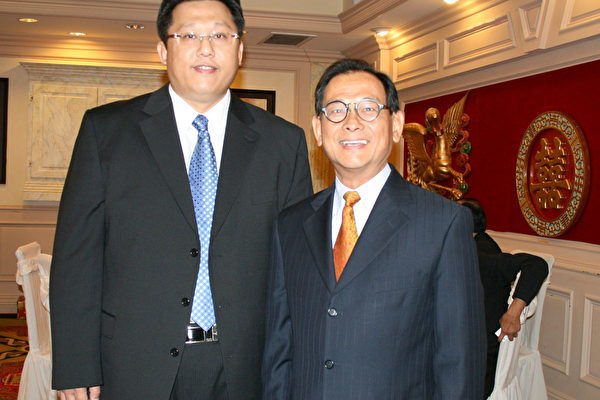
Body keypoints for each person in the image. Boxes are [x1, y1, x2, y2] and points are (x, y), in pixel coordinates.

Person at [49, 1, 312, 399]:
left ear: (240, 50)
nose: (206, 48)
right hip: (134, 363)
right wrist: (75, 365)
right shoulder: (106, 132)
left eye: (220, 34)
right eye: (189, 34)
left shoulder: (283, 142)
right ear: (163, 49)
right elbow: (76, 260)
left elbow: (296, 270)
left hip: (247, 366)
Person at [261, 58, 486, 400]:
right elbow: (279, 350)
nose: (351, 123)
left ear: (396, 125)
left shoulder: (442, 223)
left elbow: (459, 363)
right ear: (318, 129)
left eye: (368, 108)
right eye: (337, 110)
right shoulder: (290, 224)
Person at [458, 198, 548, 398]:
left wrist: (513, 312)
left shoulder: (481, 256)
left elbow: (537, 265)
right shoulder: (479, 244)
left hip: (481, 359)